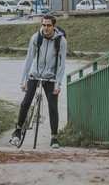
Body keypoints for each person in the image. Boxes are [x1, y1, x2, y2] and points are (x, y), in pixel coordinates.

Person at [11, 14, 67, 148]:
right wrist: (23, 80)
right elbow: (29, 59)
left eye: (48, 25)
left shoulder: (61, 41)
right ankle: (18, 130)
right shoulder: (36, 37)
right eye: (43, 25)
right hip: (35, 74)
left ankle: (54, 138)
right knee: (26, 102)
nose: (45, 28)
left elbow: (61, 64)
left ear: (54, 26)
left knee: (53, 107)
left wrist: (58, 84)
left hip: (50, 77)